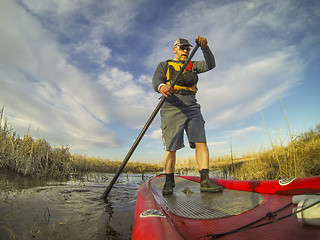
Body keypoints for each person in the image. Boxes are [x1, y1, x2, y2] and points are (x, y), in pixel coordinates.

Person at [152, 35, 223, 195]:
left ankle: (205, 181)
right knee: (171, 147)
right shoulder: (165, 65)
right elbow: (156, 81)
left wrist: (205, 48)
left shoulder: (192, 64)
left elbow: (211, 64)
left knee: (201, 142)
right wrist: (162, 87)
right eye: (182, 48)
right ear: (174, 49)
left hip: (192, 105)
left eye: (188, 48)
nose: (185, 50)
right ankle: (169, 181)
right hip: (171, 106)